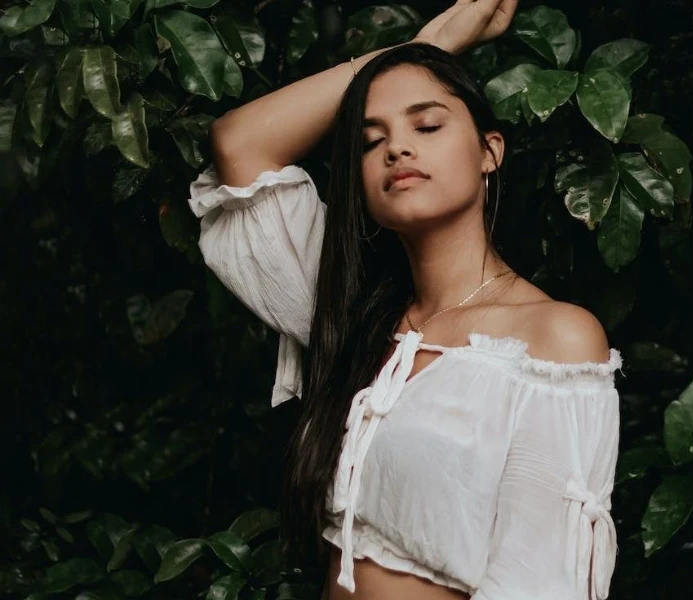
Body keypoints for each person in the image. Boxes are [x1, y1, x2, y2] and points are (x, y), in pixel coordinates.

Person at [187, 0, 622, 598]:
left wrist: (417, 64)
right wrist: (428, 45)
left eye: (427, 125)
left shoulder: (553, 340)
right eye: (371, 140)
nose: (396, 149)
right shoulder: (351, 312)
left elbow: (540, 580)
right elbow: (240, 147)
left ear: (490, 151)